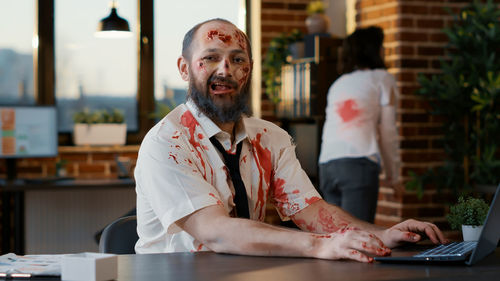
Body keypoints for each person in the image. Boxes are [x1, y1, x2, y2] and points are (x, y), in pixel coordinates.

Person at [134, 19, 447, 262]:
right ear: (184, 69)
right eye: (211, 58)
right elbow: (215, 232)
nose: (225, 70)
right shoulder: (167, 142)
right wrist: (322, 246)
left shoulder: (270, 137)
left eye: (238, 59)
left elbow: (310, 211)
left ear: (249, 70)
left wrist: (382, 235)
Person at [318, 26, 399, 223]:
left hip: (327, 165)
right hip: (358, 164)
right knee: (359, 238)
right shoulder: (383, 78)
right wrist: (394, 176)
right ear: (374, 50)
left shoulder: (338, 84)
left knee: (336, 238)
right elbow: (388, 132)